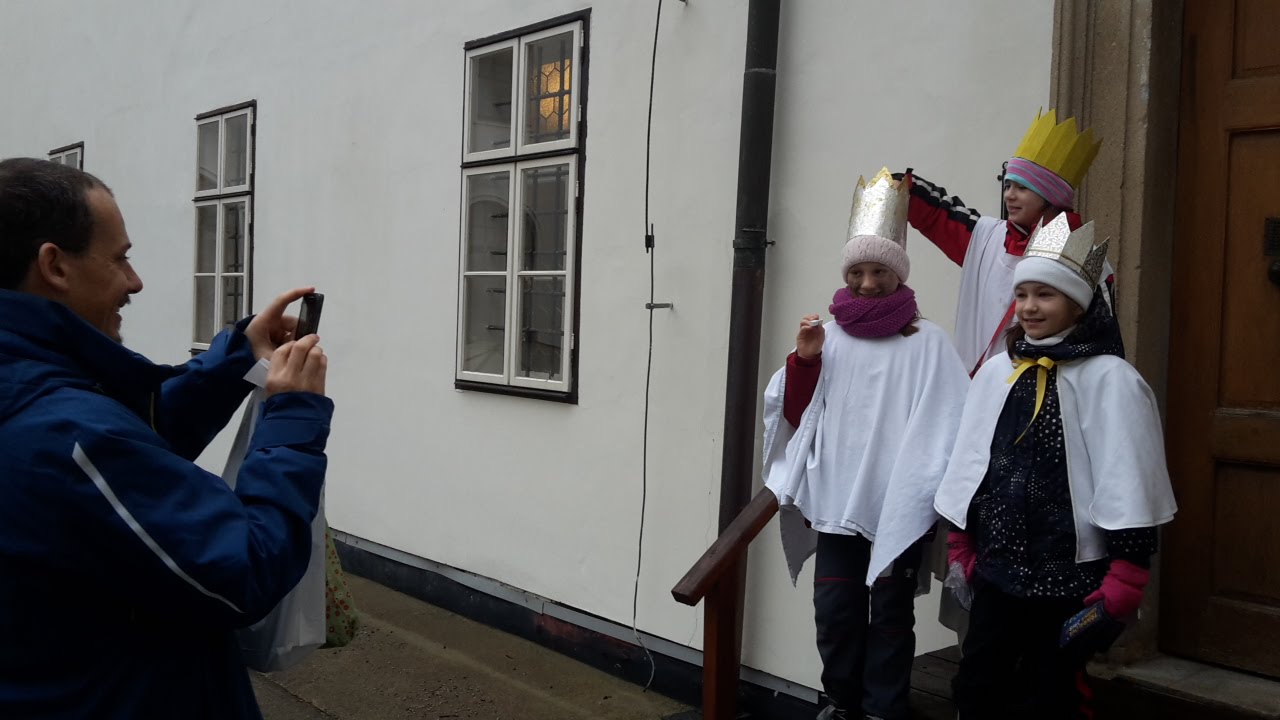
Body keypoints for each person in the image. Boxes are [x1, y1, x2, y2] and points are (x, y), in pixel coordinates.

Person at [0, 157, 334, 719]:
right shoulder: (64, 434)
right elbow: (244, 570)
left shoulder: (31, 387)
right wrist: (293, 418)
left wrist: (235, 361)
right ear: (54, 265)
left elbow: (130, 453)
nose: (134, 282)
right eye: (119, 258)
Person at [933, 214, 1177, 719]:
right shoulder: (998, 372)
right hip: (999, 569)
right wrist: (962, 540)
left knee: (1051, 694)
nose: (1028, 307)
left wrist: (1127, 573)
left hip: (1070, 577)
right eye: (1022, 295)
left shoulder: (1111, 379)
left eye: (1045, 295)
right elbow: (972, 461)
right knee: (978, 685)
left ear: (1078, 304)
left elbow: (1128, 477)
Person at [761, 169, 970, 720]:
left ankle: (883, 709)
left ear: (898, 273)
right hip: (836, 506)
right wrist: (805, 360)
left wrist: (928, 491)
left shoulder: (928, 342)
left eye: (879, 271)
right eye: (857, 271)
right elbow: (796, 415)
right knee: (835, 610)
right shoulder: (826, 336)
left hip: (895, 503)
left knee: (892, 615)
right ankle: (842, 700)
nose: (868, 283)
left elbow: (951, 419)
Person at [896, 108, 1105, 375]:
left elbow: (1100, 331)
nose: (1009, 196)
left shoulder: (1083, 257)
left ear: (1050, 196)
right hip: (984, 385)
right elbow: (939, 216)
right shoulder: (988, 239)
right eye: (1008, 186)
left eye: (1022, 188)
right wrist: (907, 189)